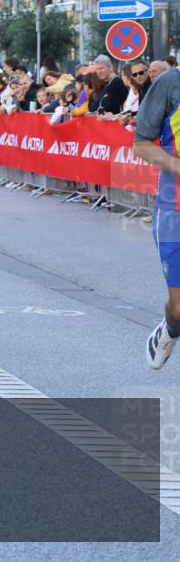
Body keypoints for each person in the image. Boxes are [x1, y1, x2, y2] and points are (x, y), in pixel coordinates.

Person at [134, 63, 180, 369]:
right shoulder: (170, 83)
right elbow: (141, 145)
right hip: (174, 207)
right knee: (178, 309)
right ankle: (171, 327)